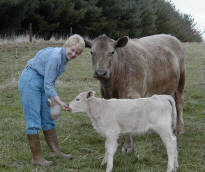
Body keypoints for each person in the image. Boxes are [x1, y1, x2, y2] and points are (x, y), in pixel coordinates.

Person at [18, 34, 85, 166]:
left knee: (48, 118)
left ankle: (55, 152)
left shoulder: (63, 58)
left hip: (43, 82)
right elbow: (49, 84)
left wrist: (51, 100)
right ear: (67, 45)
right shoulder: (55, 57)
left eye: (77, 53)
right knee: (34, 120)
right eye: (72, 50)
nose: (73, 54)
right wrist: (60, 103)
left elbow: (49, 82)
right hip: (30, 81)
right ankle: (36, 158)